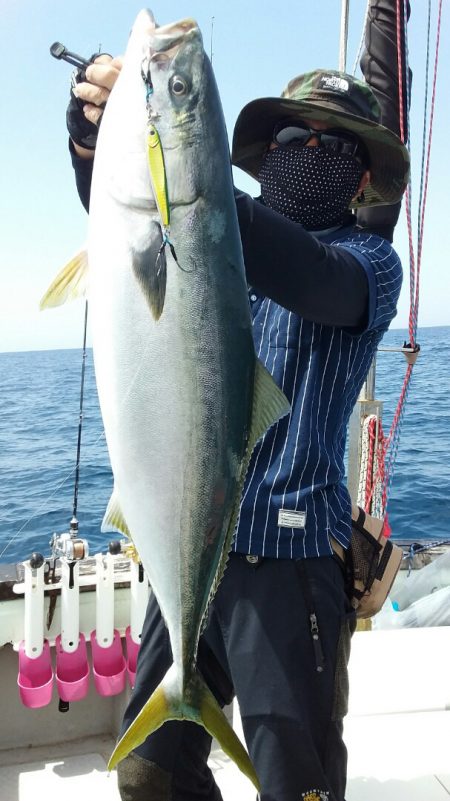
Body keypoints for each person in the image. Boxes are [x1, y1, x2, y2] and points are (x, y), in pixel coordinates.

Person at [66, 6, 410, 801]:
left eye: (337, 148)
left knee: (300, 786)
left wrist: (187, 173)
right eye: (294, 142)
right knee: (152, 771)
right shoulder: (214, 243)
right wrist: (98, 139)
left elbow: (302, 272)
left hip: (293, 569)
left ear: (364, 180)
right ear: (265, 160)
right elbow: (133, 234)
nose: (312, 155)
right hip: (200, 552)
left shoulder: (365, 263)